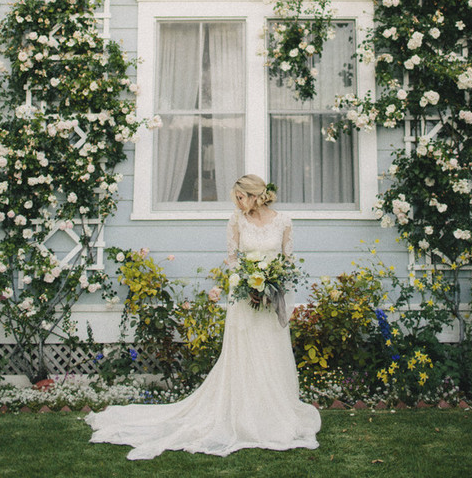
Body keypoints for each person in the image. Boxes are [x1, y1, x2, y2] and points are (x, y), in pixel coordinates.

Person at [85, 174, 321, 459]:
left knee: (271, 353)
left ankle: (272, 412)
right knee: (245, 354)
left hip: (271, 301)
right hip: (244, 301)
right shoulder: (236, 221)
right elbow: (233, 259)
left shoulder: (284, 222)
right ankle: (241, 413)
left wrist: (272, 285)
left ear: (256, 195)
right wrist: (248, 285)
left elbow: (288, 263)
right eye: (236, 198)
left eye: (241, 197)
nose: (237, 202)